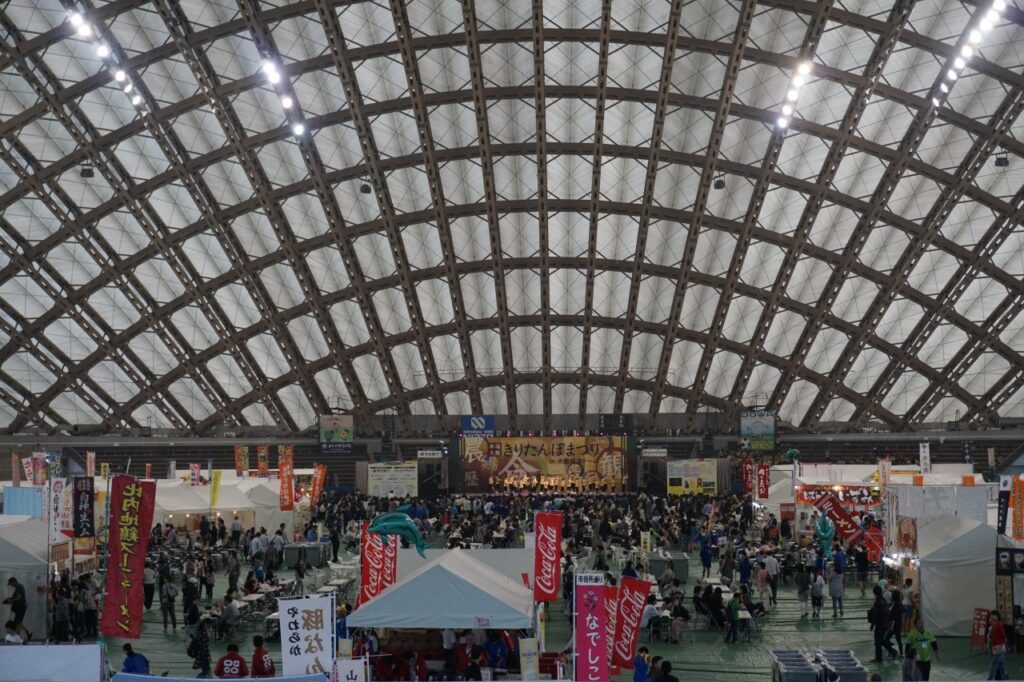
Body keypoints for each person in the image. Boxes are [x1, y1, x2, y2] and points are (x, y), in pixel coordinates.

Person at [870, 586, 899, 662]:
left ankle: (879, 658)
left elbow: (875, 615)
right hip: (885, 624)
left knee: (877, 642)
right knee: (882, 640)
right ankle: (893, 652)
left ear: (874, 593)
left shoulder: (878, 602)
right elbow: (888, 612)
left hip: (880, 624)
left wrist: (872, 625)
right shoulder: (884, 600)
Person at [2, 577, 29, 641]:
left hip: (20, 608)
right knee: (18, 622)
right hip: (20, 608)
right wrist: (10, 599)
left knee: (18, 623)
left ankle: (18, 637)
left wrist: (11, 600)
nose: (11, 585)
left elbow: (19, 597)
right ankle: (26, 633)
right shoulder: (19, 587)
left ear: (13, 582)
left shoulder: (18, 587)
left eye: (11, 584)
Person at [988, 609, 1007, 680]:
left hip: (997, 648)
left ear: (996, 616)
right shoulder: (995, 625)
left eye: (992, 615)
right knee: (1002, 667)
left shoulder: (998, 625)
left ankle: (989, 680)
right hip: (998, 648)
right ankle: (1005, 678)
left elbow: (1003, 635)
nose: (991, 617)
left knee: (993, 667)